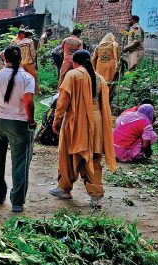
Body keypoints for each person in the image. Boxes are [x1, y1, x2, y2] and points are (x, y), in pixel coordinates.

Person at [49, 50, 116, 208]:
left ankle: (64, 188)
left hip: (77, 120)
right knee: (92, 157)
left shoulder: (73, 74)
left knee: (67, 154)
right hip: (97, 121)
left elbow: (63, 100)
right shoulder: (99, 78)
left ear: (75, 62)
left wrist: (57, 119)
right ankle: (96, 194)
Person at [0, 46, 36, 213]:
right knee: (20, 163)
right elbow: (29, 102)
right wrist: (31, 121)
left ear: (4, 58)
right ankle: (17, 203)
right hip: (18, 125)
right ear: (21, 59)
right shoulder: (27, 77)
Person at [92, 33, 120, 100]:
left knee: (100, 82)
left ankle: (99, 97)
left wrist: (94, 69)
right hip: (111, 66)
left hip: (100, 66)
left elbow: (93, 58)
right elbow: (117, 57)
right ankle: (107, 98)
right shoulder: (114, 44)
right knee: (109, 83)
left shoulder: (99, 46)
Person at [19, 30, 40, 95]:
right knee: (34, 77)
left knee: (23, 78)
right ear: (29, 35)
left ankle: (23, 92)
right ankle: (37, 92)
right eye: (31, 36)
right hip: (29, 62)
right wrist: (34, 61)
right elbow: (33, 52)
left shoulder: (20, 42)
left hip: (22, 63)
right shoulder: (30, 41)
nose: (32, 37)